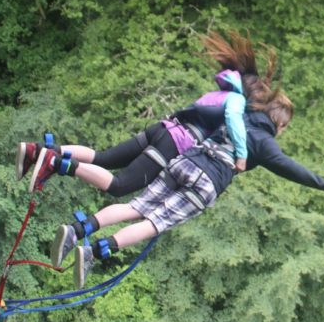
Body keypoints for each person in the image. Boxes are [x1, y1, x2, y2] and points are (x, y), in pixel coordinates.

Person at [50, 92, 324, 288]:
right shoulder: (265, 142)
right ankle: (94, 253)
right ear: (281, 123)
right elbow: (287, 166)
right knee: (153, 223)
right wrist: (322, 183)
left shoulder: (235, 117)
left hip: (185, 160)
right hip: (206, 182)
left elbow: (200, 111)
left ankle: (78, 229)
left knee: (135, 207)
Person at [16, 31, 276, 197]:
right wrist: (242, 156)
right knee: (119, 186)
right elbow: (233, 121)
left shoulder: (220, 92)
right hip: (176, 143)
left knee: (103, 158)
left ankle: (36, 151)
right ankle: (55, 162)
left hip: (164, 129)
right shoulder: (236, 101)